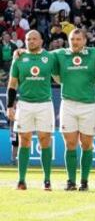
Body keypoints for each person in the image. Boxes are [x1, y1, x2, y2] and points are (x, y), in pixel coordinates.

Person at [54, 25, 95, 191]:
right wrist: (21, 51)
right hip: (68, 104)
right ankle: (70, 181)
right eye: (72, 39)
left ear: (84, 41)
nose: (75, 42)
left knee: (87, 144)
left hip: (89, 105)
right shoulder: (60, 54)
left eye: (78, 39)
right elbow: (41, 55)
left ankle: (84, 181)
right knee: (70, 144)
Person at [8, 30, 56, 190]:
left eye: (35, 38)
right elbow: (12, 84)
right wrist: (9, 106)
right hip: (25, 104)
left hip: (44, 104)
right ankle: (21, 180)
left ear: (41, 41)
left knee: (45, 140)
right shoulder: (19, 59)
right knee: (24, 140)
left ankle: (47, 180)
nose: (31, 41)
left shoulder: (50, 57)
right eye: (28, 39)